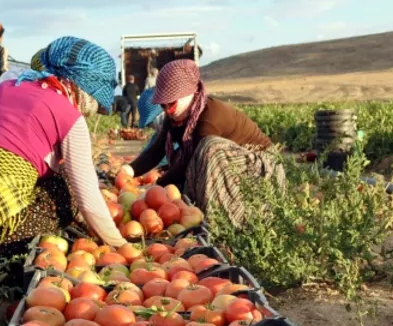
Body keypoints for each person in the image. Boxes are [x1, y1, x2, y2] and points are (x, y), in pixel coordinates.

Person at [0, 36, 127, 266]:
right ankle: (0, 256)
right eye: (95, 101)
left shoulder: (7, 88)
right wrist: (120, 246)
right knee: (66, 191)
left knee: (50, 177)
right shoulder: (69, 116)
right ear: (83, 87)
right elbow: (87, 196)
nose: (93, 110)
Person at [117, 59, 282, 226]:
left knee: (209, 148)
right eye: (162, 104)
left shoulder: (210, 116)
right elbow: (157, 148)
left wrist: (156, 189)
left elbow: (189, 161)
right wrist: (129, 170)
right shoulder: (176, 116)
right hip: (232, 164)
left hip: (260, 167)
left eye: (171, 103)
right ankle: (195, 213)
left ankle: (224, 222)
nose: (166, 109)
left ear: (188, 94)